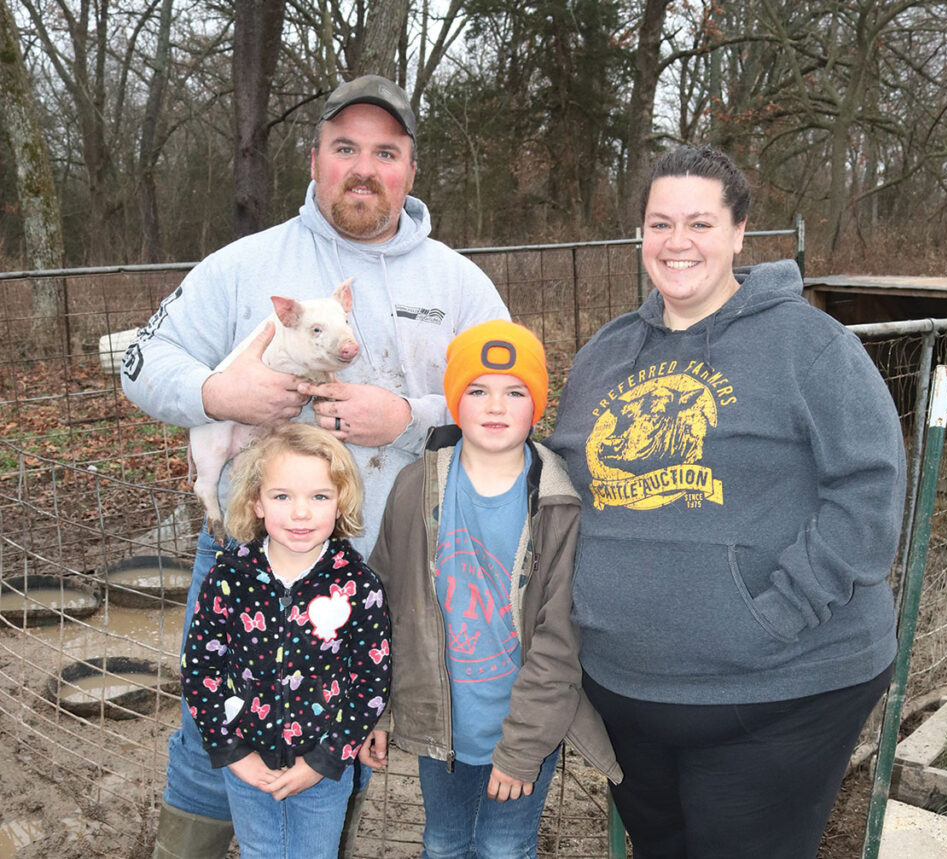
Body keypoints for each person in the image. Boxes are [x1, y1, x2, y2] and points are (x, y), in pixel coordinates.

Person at [120, 74, 509, 857]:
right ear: (315, 158)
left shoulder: (459, 285)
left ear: (409, 169)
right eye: (344, 148)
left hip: (400, 561)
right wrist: (216, 391)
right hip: (249, 555)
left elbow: (514, 404)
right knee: (211, 727)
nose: (363, 167)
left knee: (352, 722)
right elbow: (138, 359)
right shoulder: (245, 265)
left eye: (385, 152)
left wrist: (410, 417)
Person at [546, 145, 907, 859]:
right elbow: (563, 484)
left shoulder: (809, 345)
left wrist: (774, 613)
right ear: (641, 236)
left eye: (700, 223)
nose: (678, 242)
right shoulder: (606, 353)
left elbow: (869, 490)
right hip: (628, 688)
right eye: (660, 223)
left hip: (777, 689)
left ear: (740, 232)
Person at [360, 320, 621, 858]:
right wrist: (376, 710)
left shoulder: (560, 503)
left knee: (503, 847)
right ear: (455, 401)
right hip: (441, 722)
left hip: (522, 723)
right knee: (443, 844)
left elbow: (559, 637)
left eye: (514, 392)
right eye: (477, 391)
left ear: (538, 404)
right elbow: (381, 608)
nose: (495, 406)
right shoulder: (415, 487)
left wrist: (523, 748)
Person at [180, 422, 390, 859]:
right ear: (256, 502)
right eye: (282, 496)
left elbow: (371, 681)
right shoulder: (227, 579)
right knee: (260, 852)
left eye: (319, 496)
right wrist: (232, 752)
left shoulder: (358, 586)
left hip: (322, 768)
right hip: (247, 763)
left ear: (340, 502)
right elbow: (200, 669)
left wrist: (326, 759)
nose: (300, 513)